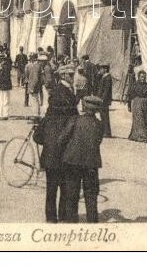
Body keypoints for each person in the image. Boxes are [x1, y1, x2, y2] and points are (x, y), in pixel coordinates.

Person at [33, 78, 77, 223]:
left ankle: (51, 218)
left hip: (50, 160)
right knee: (65, 189)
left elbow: (37, 138)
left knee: (50, 191)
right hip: (66, 159)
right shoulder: (70, 121)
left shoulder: (47, 120)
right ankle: (63, 215)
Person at [62, 95, 104, 223]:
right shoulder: (99, 125)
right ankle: (92, 222)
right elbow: (98, 141)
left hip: (73, 161)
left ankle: (71, 222)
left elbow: (63, 138)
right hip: (91, 163)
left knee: (72, 194)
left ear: (84, 107)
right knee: (91, 195)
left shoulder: (75, 120)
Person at [128, 71, 147, 143]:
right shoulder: (135, 84)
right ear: (139, 77)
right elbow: (130, 94)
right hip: (137, 104)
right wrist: (129, 106)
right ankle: (141, 137)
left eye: (144, 77)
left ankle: (145, 136)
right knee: (139, 120)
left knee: (146, 120)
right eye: (141, 77)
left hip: (146, 105)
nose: (143, 78)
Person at [0, 49, 13, 120]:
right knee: (1, 99)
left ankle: (5, 115)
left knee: (5, 100)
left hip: (5, 85)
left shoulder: (6, 67)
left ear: (2, 59)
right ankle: (0, 114)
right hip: (1, 85)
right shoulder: (2, 66)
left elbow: (6, 77)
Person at [96, 64, 113, 137]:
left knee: (105, 116)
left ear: (105, 69)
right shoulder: (104, 77)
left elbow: (106, 90)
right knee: (103, 115)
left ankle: (107, 132)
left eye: (101, 69)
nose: (100, 70)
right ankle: (105, 131)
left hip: (104, 100)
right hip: (103, 99)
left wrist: (103, 99)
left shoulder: (108, 78)